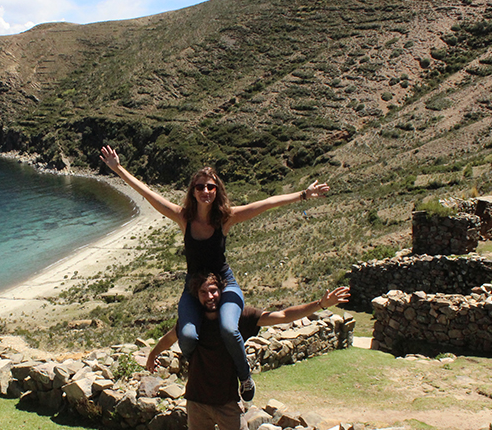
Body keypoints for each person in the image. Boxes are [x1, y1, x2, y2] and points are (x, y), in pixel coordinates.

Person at [100, 145, 329, 401]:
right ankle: (196, 366)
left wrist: (304, 195)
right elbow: (149, 195)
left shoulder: (225, 218)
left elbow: (266, 204)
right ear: (193, 191)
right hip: (193, 287)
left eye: (210, 187)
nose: (205, 191)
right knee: (186, 335)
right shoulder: (183, 217)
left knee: (230, 328)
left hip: (224, 283)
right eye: (200, 187)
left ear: (217, 190)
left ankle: (245, 377)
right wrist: (118, 168)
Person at [145, 272, 350, 430]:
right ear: (196, 296)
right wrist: (153, 353)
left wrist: (319, 304)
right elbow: (170, 337)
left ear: (222, 290)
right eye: (204, 292)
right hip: (196, 399)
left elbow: (282, 315)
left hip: (227, 402)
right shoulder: (192, 321)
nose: (210, 297)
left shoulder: (238, 317)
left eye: (214, 291)